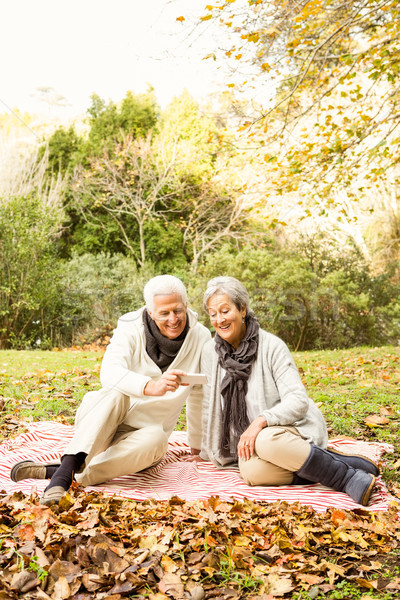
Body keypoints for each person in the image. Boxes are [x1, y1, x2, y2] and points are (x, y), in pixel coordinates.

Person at [10, 275, 211, 505]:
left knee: (158, 440)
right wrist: (149, 386)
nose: (173, 319)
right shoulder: (130, 326)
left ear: (186, 305)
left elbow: (199, 393)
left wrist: (198, 446)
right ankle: (63, 475)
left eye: (178, 310)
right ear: (150, 311)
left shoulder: (200, 337)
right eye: (164, 313)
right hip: (102, 424)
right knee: (116, 392)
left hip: (142, 439)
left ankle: (65, 472)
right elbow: (109, 372)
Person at [197, 276, 378, 507]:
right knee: (252, 472)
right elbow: (209, 403)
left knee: (265, 440)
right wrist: (205, 448)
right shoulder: (210, 352)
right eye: (213, 314)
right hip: (253, 441)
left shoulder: (271, 346)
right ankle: (332, 461)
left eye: (225, 311)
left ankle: (346, 477)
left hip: (290, 429)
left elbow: (298, 401)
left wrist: (261, 421)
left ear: (242, 309)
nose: (219, 320)